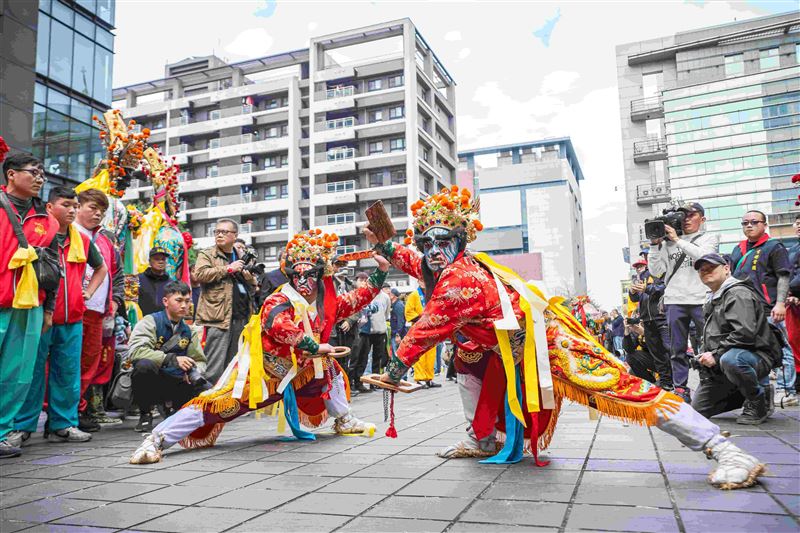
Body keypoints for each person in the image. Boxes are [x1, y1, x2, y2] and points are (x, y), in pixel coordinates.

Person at [365, 185, 765, 490]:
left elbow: (426, 327)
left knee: (618, 386)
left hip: (545, 343)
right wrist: (385, 243)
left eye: (443, 241)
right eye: (427, 243)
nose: (434, 251)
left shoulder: (459, 279)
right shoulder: (444, 265)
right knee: (468, 360)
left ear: (461, 242)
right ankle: (485, 439)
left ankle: (725, 450)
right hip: (499, 348)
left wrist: (395, 368)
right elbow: (410, 261)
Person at [129, 229, 388, 464]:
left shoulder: (324, 301)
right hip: (261, 375)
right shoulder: (279, 298)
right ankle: (156, 439)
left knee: (329, 370)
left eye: (309, 274)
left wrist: (382, 272)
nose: (302, 280)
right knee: (217, 407)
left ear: (320, 274)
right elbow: (278, 324)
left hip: (298, 372)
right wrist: (313, 344)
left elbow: (356, 299)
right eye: (296, 274)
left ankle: (344, 420)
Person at [6, 187, 107, 448]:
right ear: (50, 208)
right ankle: (22, 426)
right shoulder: (38, 234)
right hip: (39, 315)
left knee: (68, 373)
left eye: (75, 205)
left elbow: (101, 268)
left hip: (73, 317)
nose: (72, 210)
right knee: (32, 372)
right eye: (66, 205)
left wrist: (87, 293)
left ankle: (63, 424)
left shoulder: (82, 240)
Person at [0, 155, 59, 458]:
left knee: (19, 373)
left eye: (41, 174)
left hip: (29, 307)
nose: (39, 179)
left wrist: (49, 308)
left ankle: (2, 431)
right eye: (33, 173)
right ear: (11, 174)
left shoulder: (48, 221)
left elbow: (54, 270)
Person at [690, 253, 782, 425]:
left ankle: (758, 400)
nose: (706, 272)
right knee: (697, 411)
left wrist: (715, 355)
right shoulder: (713, 297)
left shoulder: (737, 293)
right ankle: (750, 391)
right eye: (702, 270)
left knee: (731, 360)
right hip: (724, 362)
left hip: (753, 356)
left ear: (726, 269)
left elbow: (745, 333)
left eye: (711, 268)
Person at [648, 202, 720, 402]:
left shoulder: (709, 238)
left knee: (707, 344)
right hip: (675, 300)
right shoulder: (667, 242)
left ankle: (711, 383)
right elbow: (656, 271)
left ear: (702, 219)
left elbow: (704, 257)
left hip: (701, 298)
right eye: (682, 215)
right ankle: (680, 388)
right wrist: (655, 245)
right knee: (676, 349)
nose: (685, 218)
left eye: (691, 215)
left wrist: (677, 240)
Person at [729, 210, 795, 408]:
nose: (749, 226)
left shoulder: (774, 246)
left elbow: (783, 276)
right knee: (754, 351)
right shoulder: (737, 249)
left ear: (764, 225)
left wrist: (780, 303)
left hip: (770, 309)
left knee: (781, 348)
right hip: (745, 313)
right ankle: (762, 392)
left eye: (754, 222)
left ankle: (786, 390)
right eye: (745, 223)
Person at [129, 281, 209, 433]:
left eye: (187, 301)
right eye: (179, 301)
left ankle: (173, 410)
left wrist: (194, 371)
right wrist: (171, 359)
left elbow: (200, 360)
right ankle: (145, 413)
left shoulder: (188, 331)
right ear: (166, 301)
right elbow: (135, 351)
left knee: (206, 389)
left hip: (176, 380)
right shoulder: (150, 322)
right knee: (143, 366)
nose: (184, 306)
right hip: (154, 378)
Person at [75, 188, 125, 431]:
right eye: (92, 208)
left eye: (101, 211)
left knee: (89, 364)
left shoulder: (105, 240)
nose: (97, 214)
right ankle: (62, 414)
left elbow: (117, 274)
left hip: (99, 312)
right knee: (66, 362)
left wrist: (114, 300)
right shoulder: (69, 232)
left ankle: (79, 411)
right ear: (77, 206)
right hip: (72, 309)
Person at [194, 219, 257, 384]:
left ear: (235, 235)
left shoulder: (242, 256)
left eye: (224, 232)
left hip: (242, 317)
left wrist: (250, 280)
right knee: (213, 368)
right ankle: (206, 403)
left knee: (235, 367)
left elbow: (251, 289)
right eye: (217, 232)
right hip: (219, 318)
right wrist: (228, 269)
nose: (219, 235)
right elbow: (199, 275)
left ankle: (227, 406)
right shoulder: (207, 253)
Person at [628, 257, 672, 389]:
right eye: (636, 267)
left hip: (661, 317)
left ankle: (678, 379)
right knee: (656, 353)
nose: (638, 268)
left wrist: (646, 288)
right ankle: (665, 382)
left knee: (669, 348)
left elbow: (663, 288)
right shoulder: (638, 280)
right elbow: (635, 298)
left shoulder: (656, 274)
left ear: (647, 265)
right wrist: (632, 291)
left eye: (640, 265)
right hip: (647, 320)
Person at [405, 279, 439, 388]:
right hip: (419, 327)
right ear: (418, 282)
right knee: (419, 353)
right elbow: (409, 311)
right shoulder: (414, 295)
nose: (424, 282)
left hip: (431, 327)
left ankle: (429, 378)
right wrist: (422, 318)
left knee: (430, 354)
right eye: (421, 280)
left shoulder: (433, 294)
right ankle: (419, 378)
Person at [332, 269, 361, 395]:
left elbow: (358, 306)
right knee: (333, 360)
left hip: (349, 329)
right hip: (332, 329)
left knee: (347, 359)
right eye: (338, 264)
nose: (341, 268)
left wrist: (349, 321)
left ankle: (346, 387)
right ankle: (334, 389)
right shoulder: (326, 284)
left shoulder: (352, 286)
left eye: (344, 264)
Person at [785, 215, 800, 392]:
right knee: (793, 340)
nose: (798, 226)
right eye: (797, 223)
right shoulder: (793, 248)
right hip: (793, 302)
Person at [137, 246, 172, 317]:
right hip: (143, 322)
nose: (161, 262)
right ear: (150, 262)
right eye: (157, 259)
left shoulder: (171, 283)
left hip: (164, 323)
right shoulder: (138, 280)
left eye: (163, 259)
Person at [389, 288, 407, 358]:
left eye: (390, 293)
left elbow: (400, 321)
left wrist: (397, 335)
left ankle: (400, 369)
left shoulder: (398, 305)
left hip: (399, 334)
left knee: (398, 356)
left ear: (393, 295)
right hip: (395, 333)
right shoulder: (394, 305)